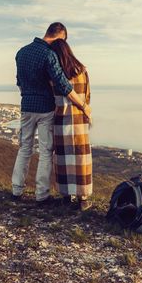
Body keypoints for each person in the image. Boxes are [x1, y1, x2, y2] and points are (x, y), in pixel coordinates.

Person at [11, 22, 91, 204]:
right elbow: (64, 86)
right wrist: (83, 105)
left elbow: (19, 81)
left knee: (24, 148)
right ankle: (41, 194)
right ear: (61, 36)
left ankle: (16, 190)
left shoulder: (21, 52)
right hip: (45, 108)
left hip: (27, 106)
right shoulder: (50, 54)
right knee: (46, 151)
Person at [49, 39, 93, 211]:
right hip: (80, 119)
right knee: (81, 157)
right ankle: (83, 198)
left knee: (63, 158)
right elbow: (87, 97)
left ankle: (67, 196)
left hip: (61, 118)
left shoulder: (54, 75)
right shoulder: (82, 71)